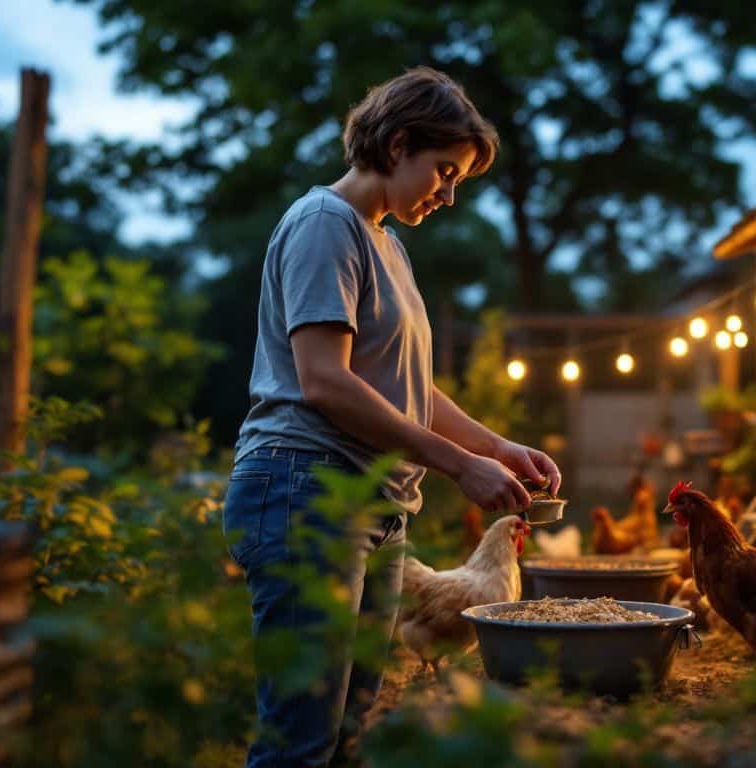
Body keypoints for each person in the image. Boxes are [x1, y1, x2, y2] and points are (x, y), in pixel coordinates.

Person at [221, 66, 561, 767]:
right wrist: (458, 465)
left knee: (348, 727)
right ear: (398, 143)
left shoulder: (387, 245)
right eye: (444, 171)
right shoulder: (325, 226)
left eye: (458, 179)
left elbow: (409, 388)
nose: (449, 194)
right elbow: (325, 383)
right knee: (301, 735)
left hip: (371, 500)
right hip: (304, 488)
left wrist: (497, 448)